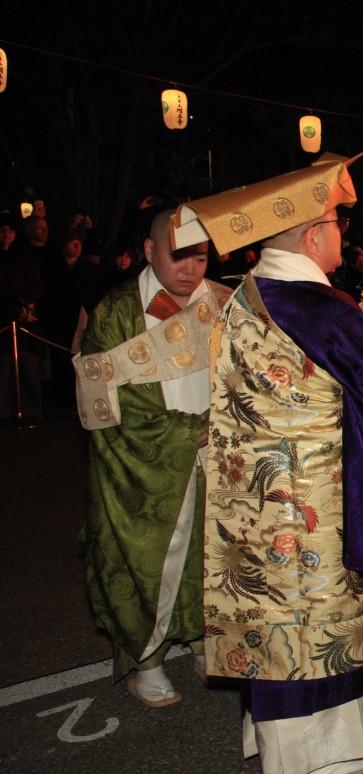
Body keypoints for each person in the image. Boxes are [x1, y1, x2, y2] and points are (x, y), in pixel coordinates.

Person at [177, 152, 363, 774]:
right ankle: (321, 755)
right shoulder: (321, 310)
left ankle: (282, 742)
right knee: (322, 619)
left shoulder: (245, 296)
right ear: (311, 236)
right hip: (318, 496)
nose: (341, 237)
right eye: (335, 224)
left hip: (258, 493)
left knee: (277, 615)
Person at [79, 210, 230, 706]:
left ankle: (207, 639)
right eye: (177, 254)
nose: (190, 268)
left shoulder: (224, 302)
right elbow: (105, 402)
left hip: (214, 456)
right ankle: (148, 658)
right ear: (148, 251)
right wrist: (191, 430)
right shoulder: (116, 311)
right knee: (151, 562)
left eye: (200, 255)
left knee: (210, 557)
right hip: (144, 462)